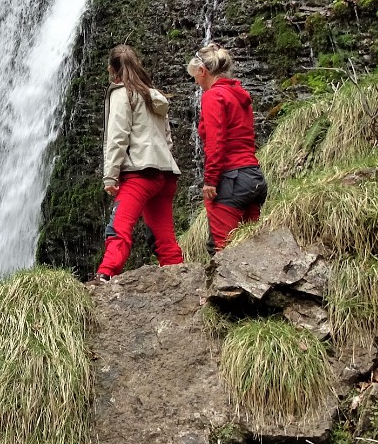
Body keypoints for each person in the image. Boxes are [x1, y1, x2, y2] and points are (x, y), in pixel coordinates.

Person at [96, 45, 184, 279]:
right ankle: (180, 278)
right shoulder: (155, 96)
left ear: (111, 69)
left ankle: (105, 276)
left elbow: (117, 136)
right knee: (164, 237)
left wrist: (110, 175)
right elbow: (168, 140)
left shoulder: (121, 93)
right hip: (165, 175)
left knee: (119, 229)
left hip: (139, 174)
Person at [187, 43, 268, 251]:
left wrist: (211, 181)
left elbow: (216, 141)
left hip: (231, 181)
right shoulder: (238, 93)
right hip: (253, 178)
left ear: (202, 71)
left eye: (195, 76)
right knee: (252, 248)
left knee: (224, 251)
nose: (196, 82)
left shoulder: (213, 96)